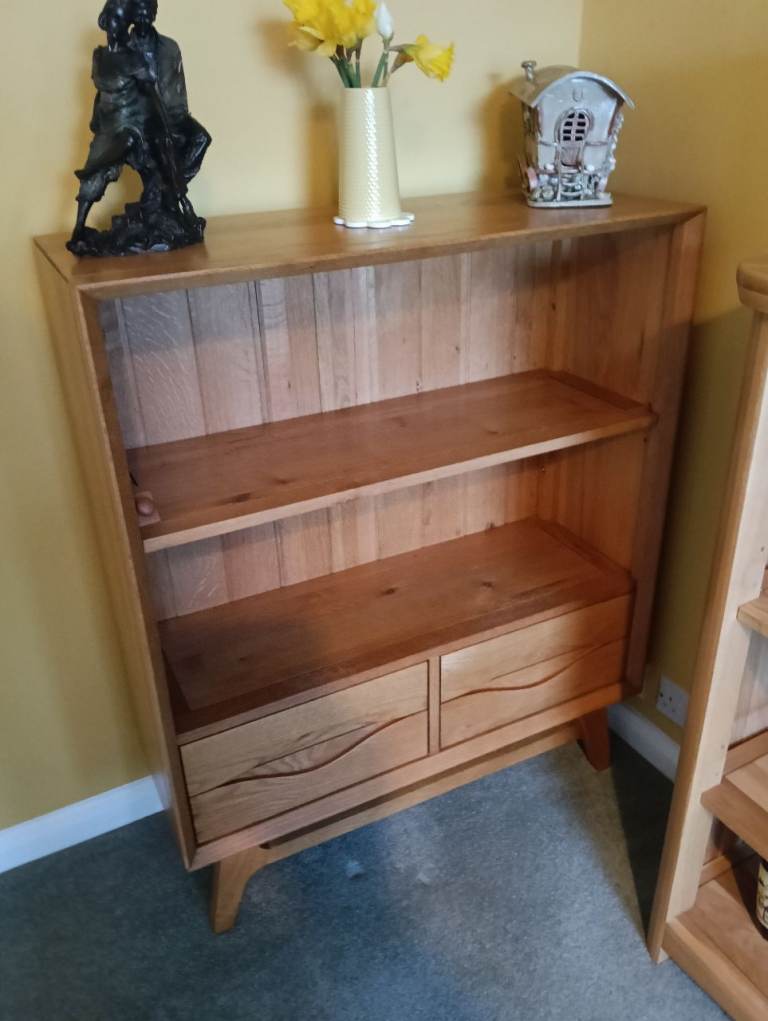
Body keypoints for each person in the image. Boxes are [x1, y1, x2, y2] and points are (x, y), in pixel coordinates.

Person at [70, 0, 158, 243]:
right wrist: (93, 119)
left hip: (131, 123)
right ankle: (78, 229)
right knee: (89, 185)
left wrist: (165, 127)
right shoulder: (98, 56)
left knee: (130, 141)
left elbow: (152, 95)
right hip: (107, 125)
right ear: (104, 19)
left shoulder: (135, 59)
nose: (115, 25)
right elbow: (101, 94)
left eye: (121, 20)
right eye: (112, 18)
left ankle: (96, 165)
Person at [129, 0, 211, 183]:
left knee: (202, 138)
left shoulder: (170, 47)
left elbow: (179, 83)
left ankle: (169, 189)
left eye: (148, 13)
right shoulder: (124, 49)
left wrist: (182, 114)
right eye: (139, 14)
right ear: (132, 15)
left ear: (154, 14)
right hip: (141, 118)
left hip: (172, 113)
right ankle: (169, 190)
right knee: (161, 145)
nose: (143, 18)